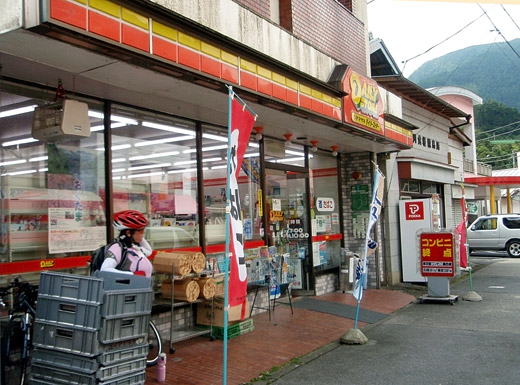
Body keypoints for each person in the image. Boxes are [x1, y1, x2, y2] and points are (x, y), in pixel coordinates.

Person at [100, 210, 154, 277]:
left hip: (144, 287)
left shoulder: (133, 247)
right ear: (128, 233)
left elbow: (148, 251)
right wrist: (132, 275)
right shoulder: (117, 248)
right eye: (141, 230)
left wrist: (139, 236)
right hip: (127, 287)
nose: (143, 233)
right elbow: (104, 270)